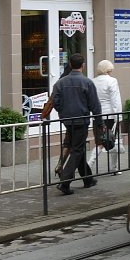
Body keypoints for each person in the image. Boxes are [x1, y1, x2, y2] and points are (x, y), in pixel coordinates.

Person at [52, 53, 102, 196]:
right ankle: (65, 182)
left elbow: (56, 102)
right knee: (77, 150)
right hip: (81, 120)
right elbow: (95, 105)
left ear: (69, 65)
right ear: (83, 65)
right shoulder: (87, 82)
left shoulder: (60, 83)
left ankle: (88, 179)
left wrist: (63, 112)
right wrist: (100, 123)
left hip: (68, 121)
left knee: (77, 147)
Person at [89, 60, 126, 175]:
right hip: (110, 116)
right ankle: (114, 168)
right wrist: (118, 116)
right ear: (108, 70)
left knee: (100, 142)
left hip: (97, 116)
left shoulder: (92, 81)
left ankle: (89, 164)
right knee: (112, 141)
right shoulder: (112, 81)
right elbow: (115, 100)